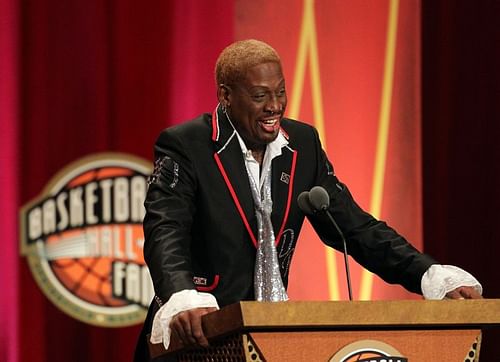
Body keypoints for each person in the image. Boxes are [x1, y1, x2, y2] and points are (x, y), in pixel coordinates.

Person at [134, 39, 482, 361]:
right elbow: (166, 229)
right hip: (197, 338)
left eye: (281, 92)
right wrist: (181, 296)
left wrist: (429, 274)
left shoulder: (303, 144)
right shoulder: (187, 145)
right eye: (260, 96)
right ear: (226, 95)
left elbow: (355, 227)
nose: (275, 106)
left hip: (269, 340)